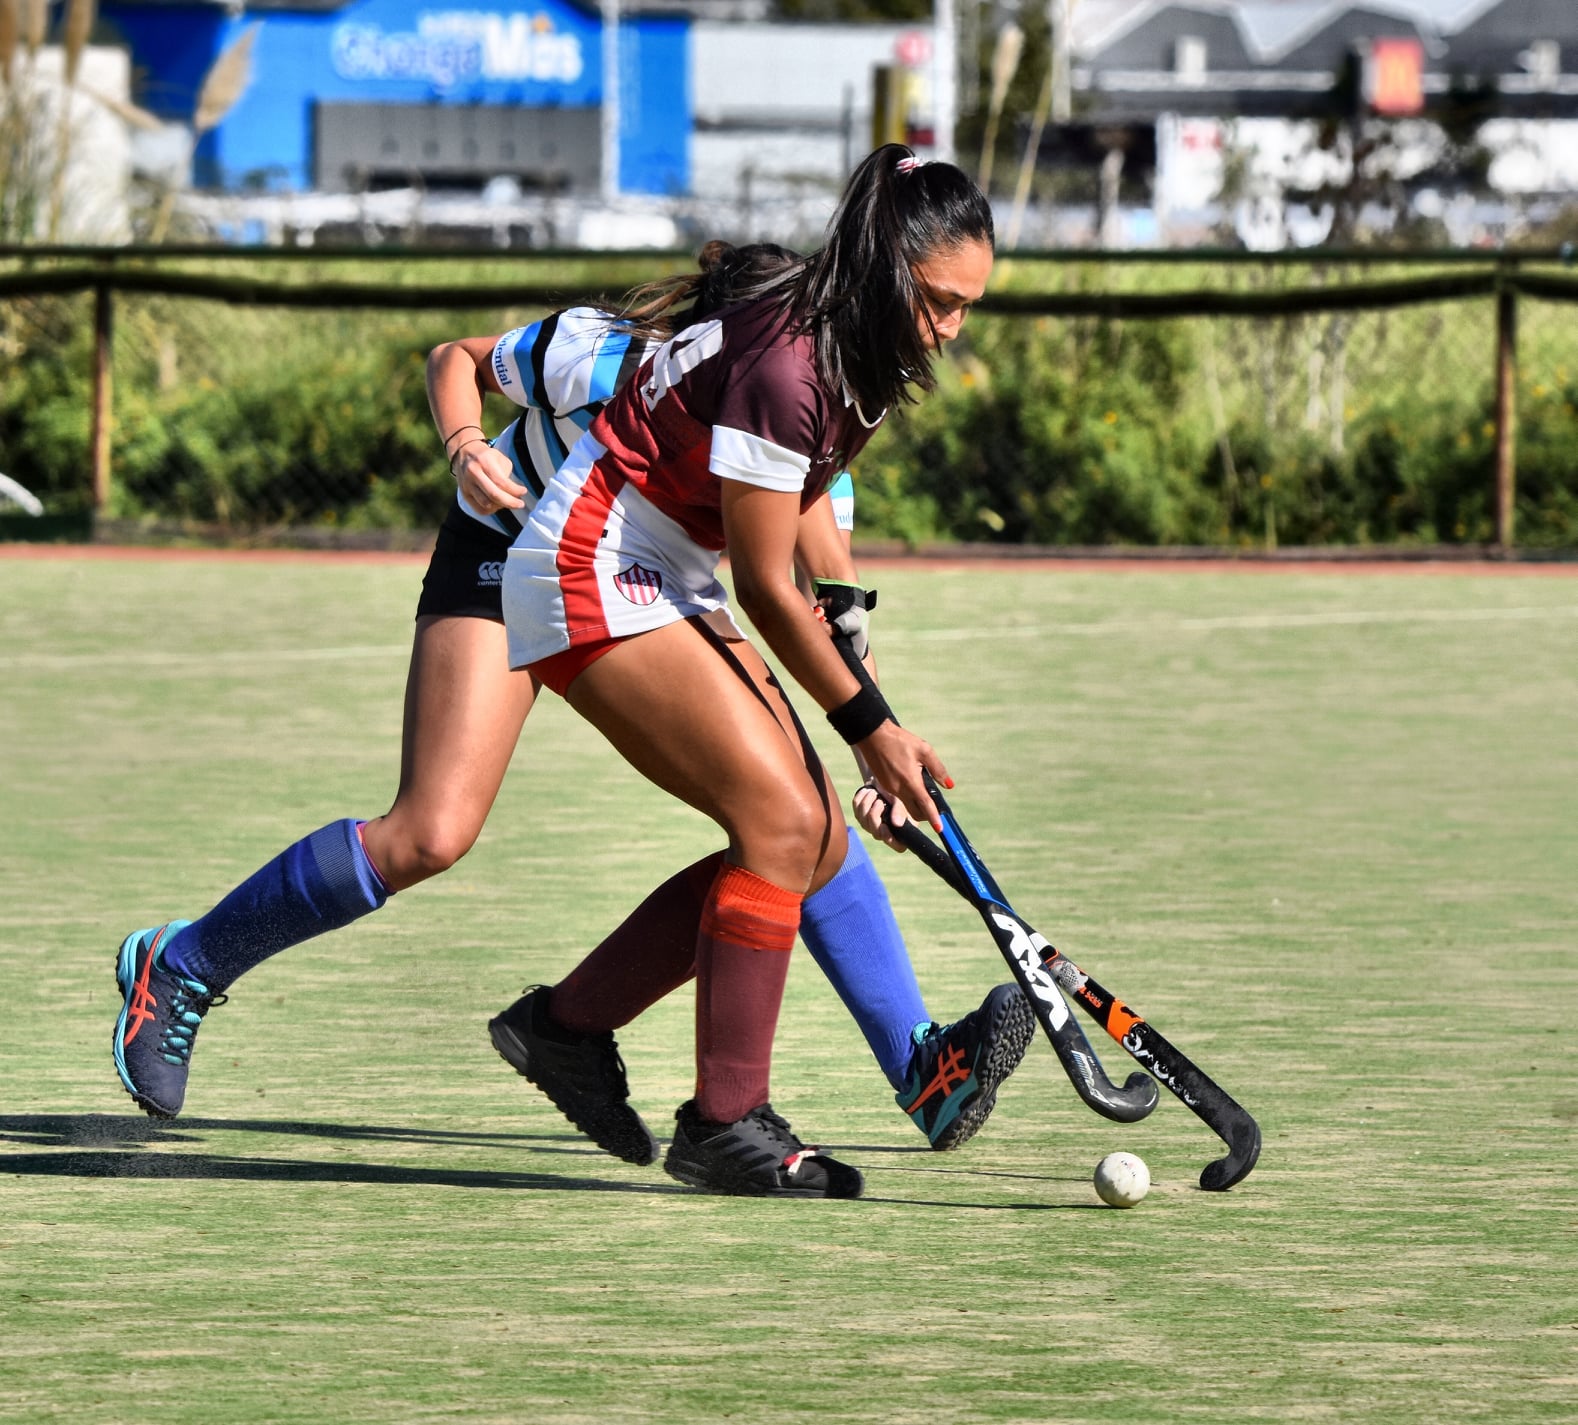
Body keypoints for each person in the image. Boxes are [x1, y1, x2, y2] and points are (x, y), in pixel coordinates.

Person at [111, 226, 1032, 1167]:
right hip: (504, 553)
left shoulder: (798, 409)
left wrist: (873, 739)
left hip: (647, 585)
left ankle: (916, 1065)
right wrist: (466, 445)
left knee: (798, 821)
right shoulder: (602, 354)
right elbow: (455, 357)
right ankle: (183, 963)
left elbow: (823, 590)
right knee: (430, 831)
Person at [493, 143, 1001, 1198]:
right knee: (781, 821)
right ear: (885, 265)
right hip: (591, 559)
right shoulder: (792, 361)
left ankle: (567, 1029)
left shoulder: (852, 341)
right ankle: (725, 1123)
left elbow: (804, 505)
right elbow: (768, 589)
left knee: (811, 836)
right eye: (939, 301)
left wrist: (861, 667)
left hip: (663, 563)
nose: (952, 328)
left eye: (967, 306)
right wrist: (869, 727)